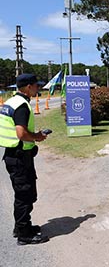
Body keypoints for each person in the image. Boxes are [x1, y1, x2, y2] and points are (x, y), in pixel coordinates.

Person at [0, 74, 49, 245]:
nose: (39, 88)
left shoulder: (11, 102)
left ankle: (21, 227)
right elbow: (21, 133)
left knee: (24, 193)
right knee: (24, 195)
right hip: (19, 157)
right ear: (28, 87)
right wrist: (37, 137)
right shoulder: (21, 105)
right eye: (37, 85)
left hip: (14, 155)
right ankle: (24, 234)